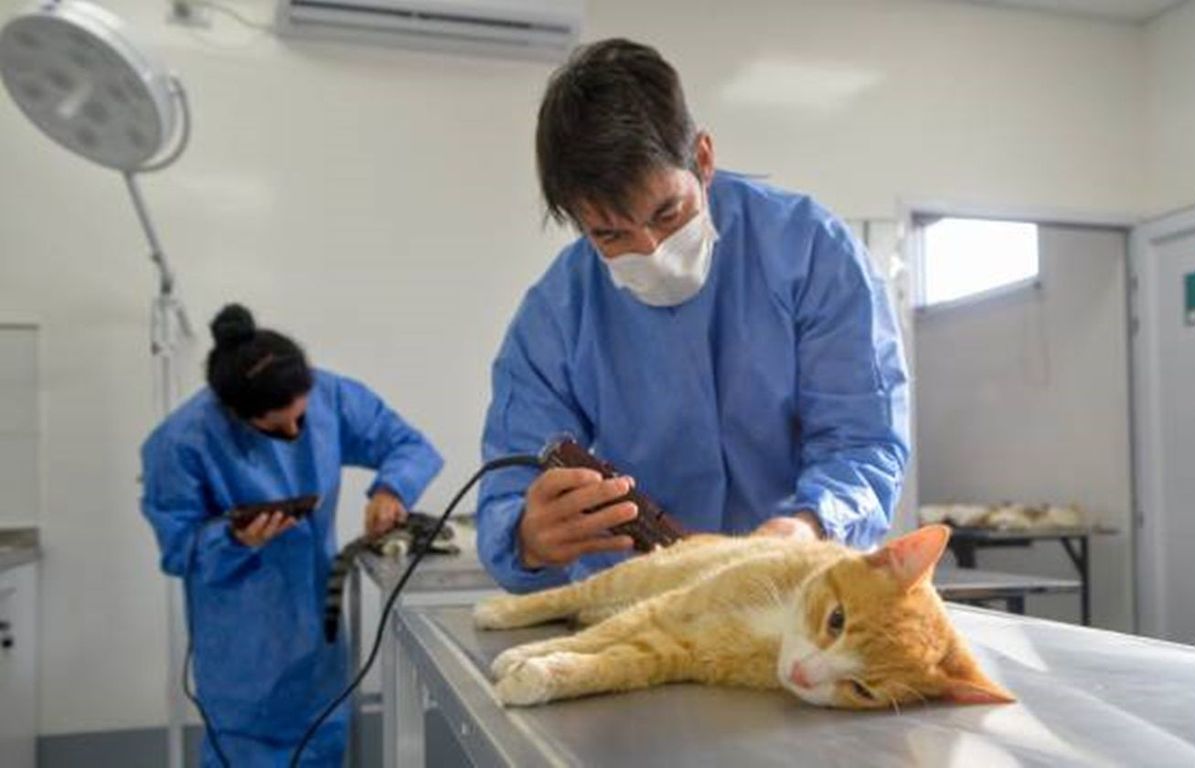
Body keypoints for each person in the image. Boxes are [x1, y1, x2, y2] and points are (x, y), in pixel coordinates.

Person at [476, 38, 911, 593]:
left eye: (667, 212)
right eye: (610, 233)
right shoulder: (555, 315)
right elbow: (507, 496)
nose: (652, 250)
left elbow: (863, 443)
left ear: (703, 158)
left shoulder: (811, 253)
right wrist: (528, 537)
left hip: (794, 588)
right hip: (638, 605)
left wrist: (811, 526)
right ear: (578, 222)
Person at [140, 304, 443, 766]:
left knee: (325, 741)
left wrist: (390, 490)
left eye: (301, 417)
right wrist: (235, 540)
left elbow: (409, 445)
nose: (296, 431)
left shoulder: (330, 396)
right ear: (235, 415)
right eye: (276, 427)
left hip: (316, 632)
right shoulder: (181, 442)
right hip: (242, 648)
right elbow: (179, 549)